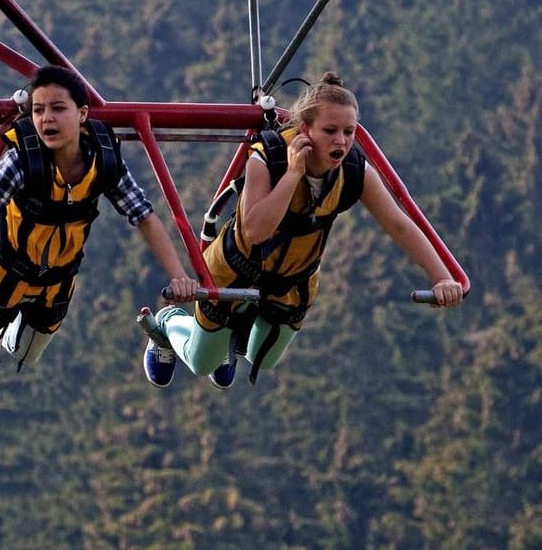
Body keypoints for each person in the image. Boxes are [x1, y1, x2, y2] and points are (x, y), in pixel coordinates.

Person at [145, 72, 464, 389]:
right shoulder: (267, 158)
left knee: (263, 359)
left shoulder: (353, 171)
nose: (341, 141)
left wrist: (441, 277)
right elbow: (256, 230)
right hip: (235, 268)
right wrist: (293, 174)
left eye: (349, 132)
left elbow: (398, 224)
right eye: (330, 131)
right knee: (202, 362)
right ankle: (168, 323)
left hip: (293, 279)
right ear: (304, 130)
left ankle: (231, 337)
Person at [0, 65, 201, 387]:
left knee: (27, 354)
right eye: (38, 110)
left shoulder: (103, 159)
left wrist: (178, 276)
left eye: (58, 109)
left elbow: (143, 216)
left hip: (56, 280)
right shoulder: (22, 161)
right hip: (2, 276)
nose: (47, 120)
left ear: (82, 113)